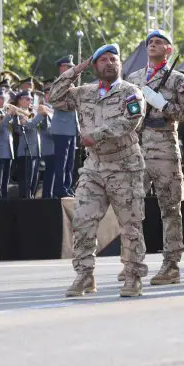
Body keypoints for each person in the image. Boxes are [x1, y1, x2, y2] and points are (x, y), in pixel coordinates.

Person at [53, 44, 148, 298]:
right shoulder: (84, 92)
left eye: (113, 59)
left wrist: (95, 135)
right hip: (94, 167)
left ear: (120, 64)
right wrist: (77, 69)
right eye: (103, 60)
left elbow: (130, 121)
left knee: (130, 225)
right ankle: (84, 275)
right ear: (95, 66)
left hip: (125, 166)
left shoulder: (131, 92)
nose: (109, 63)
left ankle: (132, 277)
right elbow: (55, 97)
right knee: (83, 220)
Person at [128, 28, 184, 286]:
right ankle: (133, 260)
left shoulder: (178, 80)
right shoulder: (134, 78)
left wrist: (163, 104)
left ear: (169, 49)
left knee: (170, 208)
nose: (153, 45)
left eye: (159, 42)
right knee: (131, 206)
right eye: (150, 42)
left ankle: (171, 265)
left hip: (165, 146)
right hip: (136, 146)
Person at [49, 55, 79, 199]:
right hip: (61, 129)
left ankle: (67, 186)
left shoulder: (71, 84)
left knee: (70, 161)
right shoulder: (59, 84)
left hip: (71, 128)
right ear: (62, 68)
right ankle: (59, 188)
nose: (71, 70)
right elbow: (55, 103)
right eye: (69, 67)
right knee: (62, 160)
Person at [13, 91, 44, 199]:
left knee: (34, 181)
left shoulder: (32, 113)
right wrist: (39, 116)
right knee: (26, 182)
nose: (30, 101)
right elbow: (23, 129)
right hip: (25, 151)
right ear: (20, 100)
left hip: (35, 150)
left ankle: (30, 201)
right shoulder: (18, 113)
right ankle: (25, 203)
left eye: (30, 99)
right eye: (27, 99)